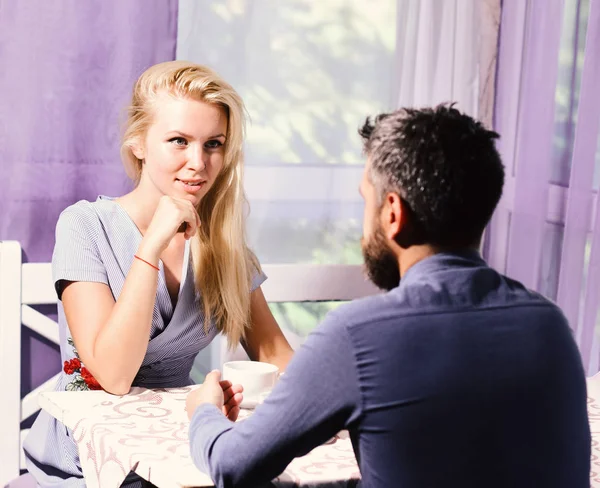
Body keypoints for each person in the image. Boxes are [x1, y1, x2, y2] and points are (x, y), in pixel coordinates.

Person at [186, 105, 591, 488]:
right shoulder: (550, 325)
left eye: (367, 200)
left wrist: (204, 411)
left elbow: (232, 465)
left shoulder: (358, 336)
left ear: (393, 213)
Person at [24, 60, 293, 487]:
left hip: (176, 447)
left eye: (213, 144)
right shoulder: (84, 226)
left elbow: (277, 357)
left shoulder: (224, 246)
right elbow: (113, 375)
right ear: (139, 143)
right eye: (179, 141)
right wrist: (150, 248)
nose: (198, 163)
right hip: (89, 456)